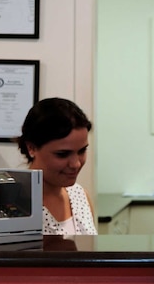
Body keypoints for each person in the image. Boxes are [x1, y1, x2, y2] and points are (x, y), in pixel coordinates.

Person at [17, 97, 97, 235]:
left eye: (82, 151)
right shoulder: (15, 204)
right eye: (62, 154)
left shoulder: (80, 196)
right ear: (32, 148)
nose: (76, 164)